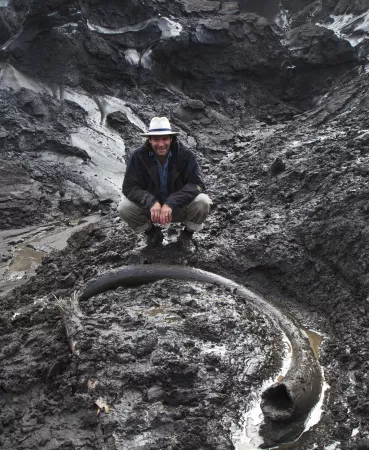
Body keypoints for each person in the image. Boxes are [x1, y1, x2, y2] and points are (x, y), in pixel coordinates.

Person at [118, 116, 212, 249]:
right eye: (156, 139)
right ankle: (152, 234)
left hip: (177, 208)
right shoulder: (138, 157)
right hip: (152, 211)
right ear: (149, 140)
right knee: (124, 207)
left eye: (165, 139)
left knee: (203, 201)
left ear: (171, 139)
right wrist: (151, 202)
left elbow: (196, 184)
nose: (161, 144)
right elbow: (129, 187)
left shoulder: (185, 155)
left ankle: (186, 236)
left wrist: (171, 202)